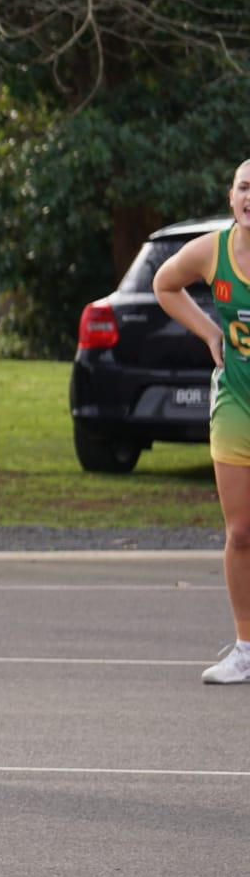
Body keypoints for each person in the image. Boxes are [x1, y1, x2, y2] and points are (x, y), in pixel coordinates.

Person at [152, 160, 250, 684]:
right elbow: (165, 284)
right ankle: (245, 648)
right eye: (244, 187)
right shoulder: (213, 250)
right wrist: (210, 333)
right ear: (231, 195)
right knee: (240, 531)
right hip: (236, 402)